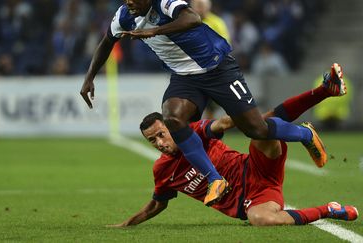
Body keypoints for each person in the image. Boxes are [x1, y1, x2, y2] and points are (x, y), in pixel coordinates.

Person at [79, 0, 346, 207]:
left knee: (256, 130)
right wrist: (90, 77)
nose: (128, 2)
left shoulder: (165, 4)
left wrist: (155, 31)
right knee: (172, 118)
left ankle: (304, 133)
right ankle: (215, 179)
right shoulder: (124, 16)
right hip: (185, 77)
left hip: (218, 68)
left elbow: (192, 18)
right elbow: (106, 42)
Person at [108, 76, 358, 227]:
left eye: (161, 134)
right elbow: (156, 204)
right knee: (262, 220)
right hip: (254, 200)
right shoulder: (162, 170)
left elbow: (224, 123)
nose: (160, 142)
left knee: (260, 127)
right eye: (153, 140)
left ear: (171, 126)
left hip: (257, 166)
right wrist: (127, 224)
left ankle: (320, 102)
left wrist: (246, 117)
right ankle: (330, 209)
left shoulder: (193, 131)